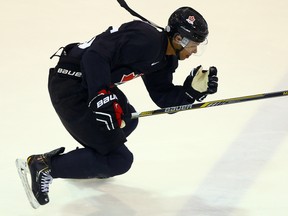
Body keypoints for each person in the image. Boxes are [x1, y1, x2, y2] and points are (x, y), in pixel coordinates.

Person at [27, 6, 218, 205]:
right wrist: (101, 96)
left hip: (88, 84)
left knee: (128, 119)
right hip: (70, 85)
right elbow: (94, 57)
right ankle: (44, 166)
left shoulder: (164, 57)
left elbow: (163, 97)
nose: (195, 51)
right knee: (119, 160)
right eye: (194, 44)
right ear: (179, 39)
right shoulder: (146, 40)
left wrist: (191, 92)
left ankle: (86, 160)